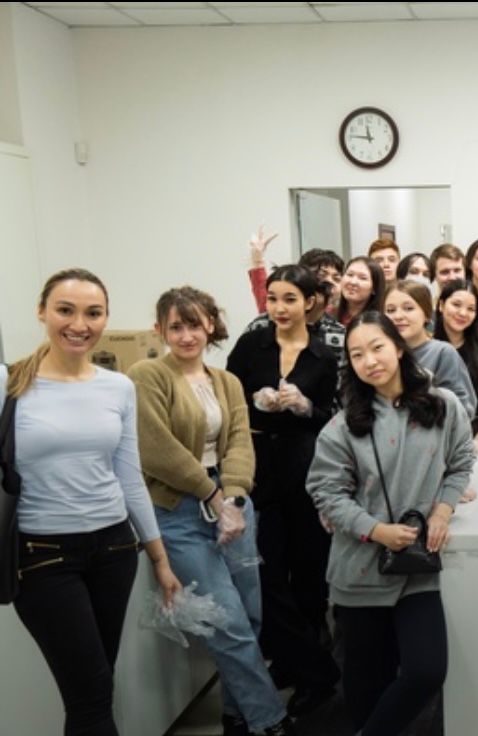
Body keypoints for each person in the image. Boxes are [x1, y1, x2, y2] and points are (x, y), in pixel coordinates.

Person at [2, 268, 181, 736]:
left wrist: (159, 559)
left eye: (93, 313)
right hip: (43, 557)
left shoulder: (117, 386)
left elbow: (129, 477)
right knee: (90, 696)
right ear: (42, 312)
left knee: (96, 688)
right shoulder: (10, 384)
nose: (79, 324)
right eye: (65, 310)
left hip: (115, 550)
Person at [128, 287, 295, 736]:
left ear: (210, 326)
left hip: (234, 503)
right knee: (228, 623)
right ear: (160, 330)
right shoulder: (147, 375)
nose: (186, 336)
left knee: (251, 616)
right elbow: (156, 450)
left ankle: (237, 717)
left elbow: (239, 440)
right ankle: (270, 721)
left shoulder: (226, 381)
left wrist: (235, 497)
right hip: (178, 510)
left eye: (194, 325)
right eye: (175, 327)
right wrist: (213, 496)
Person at [307, 311, 474, 736]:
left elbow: (460, 463)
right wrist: (376, 530)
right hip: (360, 570)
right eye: (357, 354)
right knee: (366, 688)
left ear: (399, 348)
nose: (370, 361)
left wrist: (442, 510)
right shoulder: (343, 425)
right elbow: (326, 492)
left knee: (426, 670)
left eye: (377, 347)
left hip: (418, 568)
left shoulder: (444, 405)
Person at [226, 265, 341, 716]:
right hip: (257, 464)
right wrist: (255, 402)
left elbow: (333, 417)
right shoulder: (251, 344)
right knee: (267, 574)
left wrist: (305, 406)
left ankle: (303, 667)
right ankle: (313, 667)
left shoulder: (323, 355)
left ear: (310, 302)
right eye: (272, 298)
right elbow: (229, 398)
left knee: (309, 575)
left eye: (289, 298)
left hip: (306, 465)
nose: (279, 307)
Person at [383, 280, 477, 418]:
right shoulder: (381, 354)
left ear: (426, 314)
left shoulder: (442, 353)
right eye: (390, 310)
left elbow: (465, 408)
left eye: (408, 308)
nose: (398, 316)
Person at [434, 280, 478, 452]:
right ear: (441, 305)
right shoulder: (428, 346)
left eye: (471, 309)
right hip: (434, 438)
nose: (463, 313)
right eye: (456, 305)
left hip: (473, 435)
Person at [245, 226, 344, 316]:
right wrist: (257, 259)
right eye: (321, 275)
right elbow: (264, 297)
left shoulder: (343, 319)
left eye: (337, 279)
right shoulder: (282, 313)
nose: (330, 282)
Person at [336, 256, 386, 327]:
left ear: (374, 288)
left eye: (362, 278)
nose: (353, 282)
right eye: (350, 275)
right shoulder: (329, 313)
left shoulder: (380, 323)